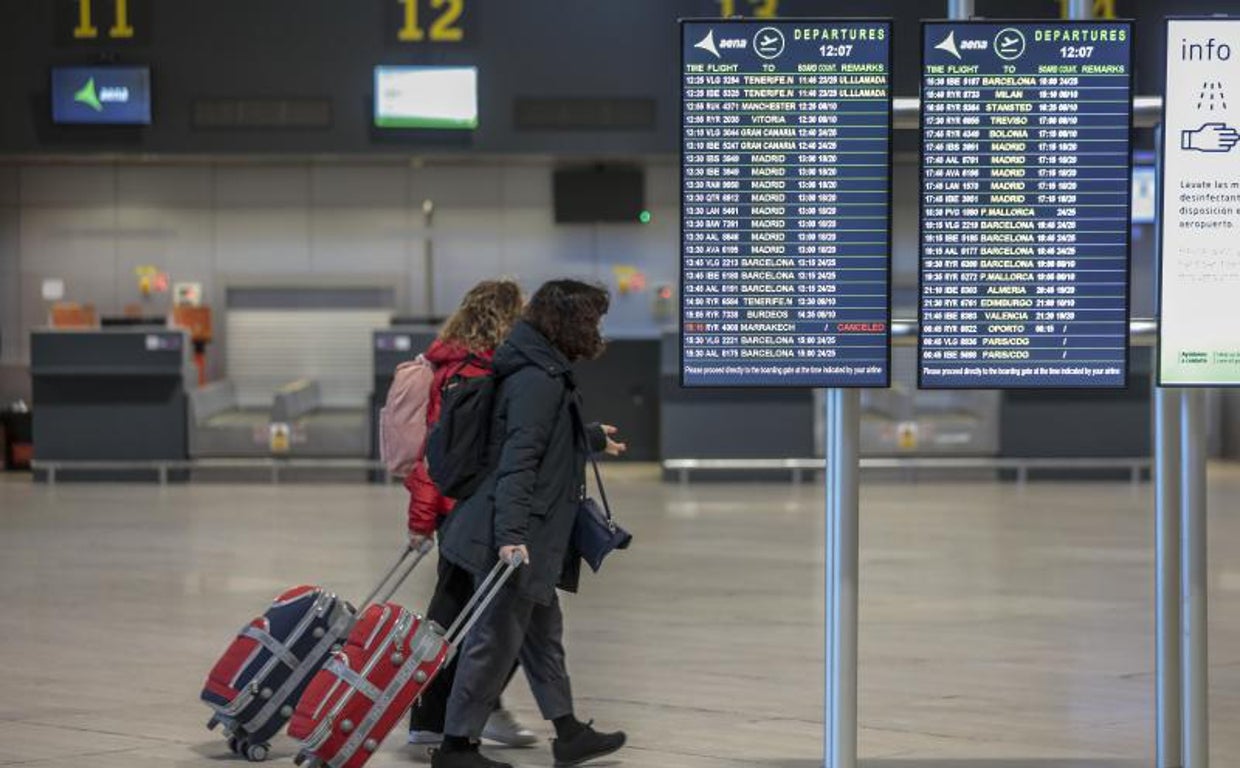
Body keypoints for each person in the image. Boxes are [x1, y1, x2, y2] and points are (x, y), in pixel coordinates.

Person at [431, 280, 628, 768]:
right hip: (514, 536)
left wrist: (589, 439)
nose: (597, 330)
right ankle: (456, 746)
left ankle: (568, 732)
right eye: (592, 320)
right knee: (494, 641)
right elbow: (518, 462)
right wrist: (511, 539)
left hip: (529, 534)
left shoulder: (539, 368)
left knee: (543, 634)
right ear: (569, 322)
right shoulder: (537, 378)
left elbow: (533, 441)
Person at [403, 279, 537, 752]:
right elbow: (439, 451)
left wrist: (423, 518)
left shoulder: (448, 364)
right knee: (499, 616)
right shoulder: (477, 372)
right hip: (473, 510)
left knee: (455, 616)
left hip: (451, 510)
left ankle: (437, 714)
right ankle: (458, 711)